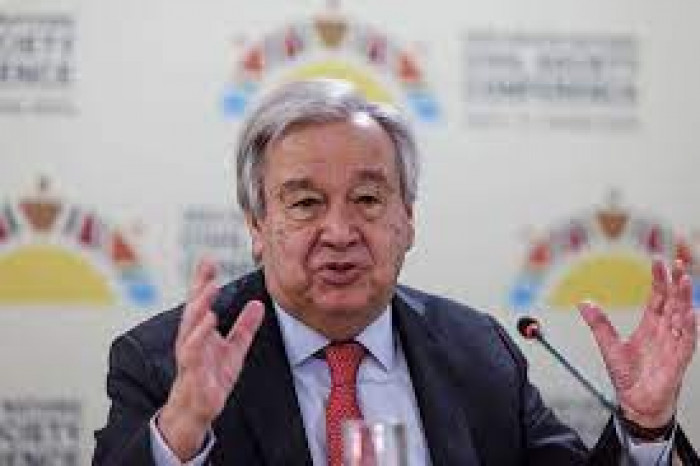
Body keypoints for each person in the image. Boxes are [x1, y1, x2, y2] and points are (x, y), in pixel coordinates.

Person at [93, 79, 698, 465]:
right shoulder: (163, 364)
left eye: (367, 199)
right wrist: (182, 429)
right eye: (305, 203)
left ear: (407, 220)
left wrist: (645, 427)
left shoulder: (478, 351)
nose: (339, 231)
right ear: (257, 225)